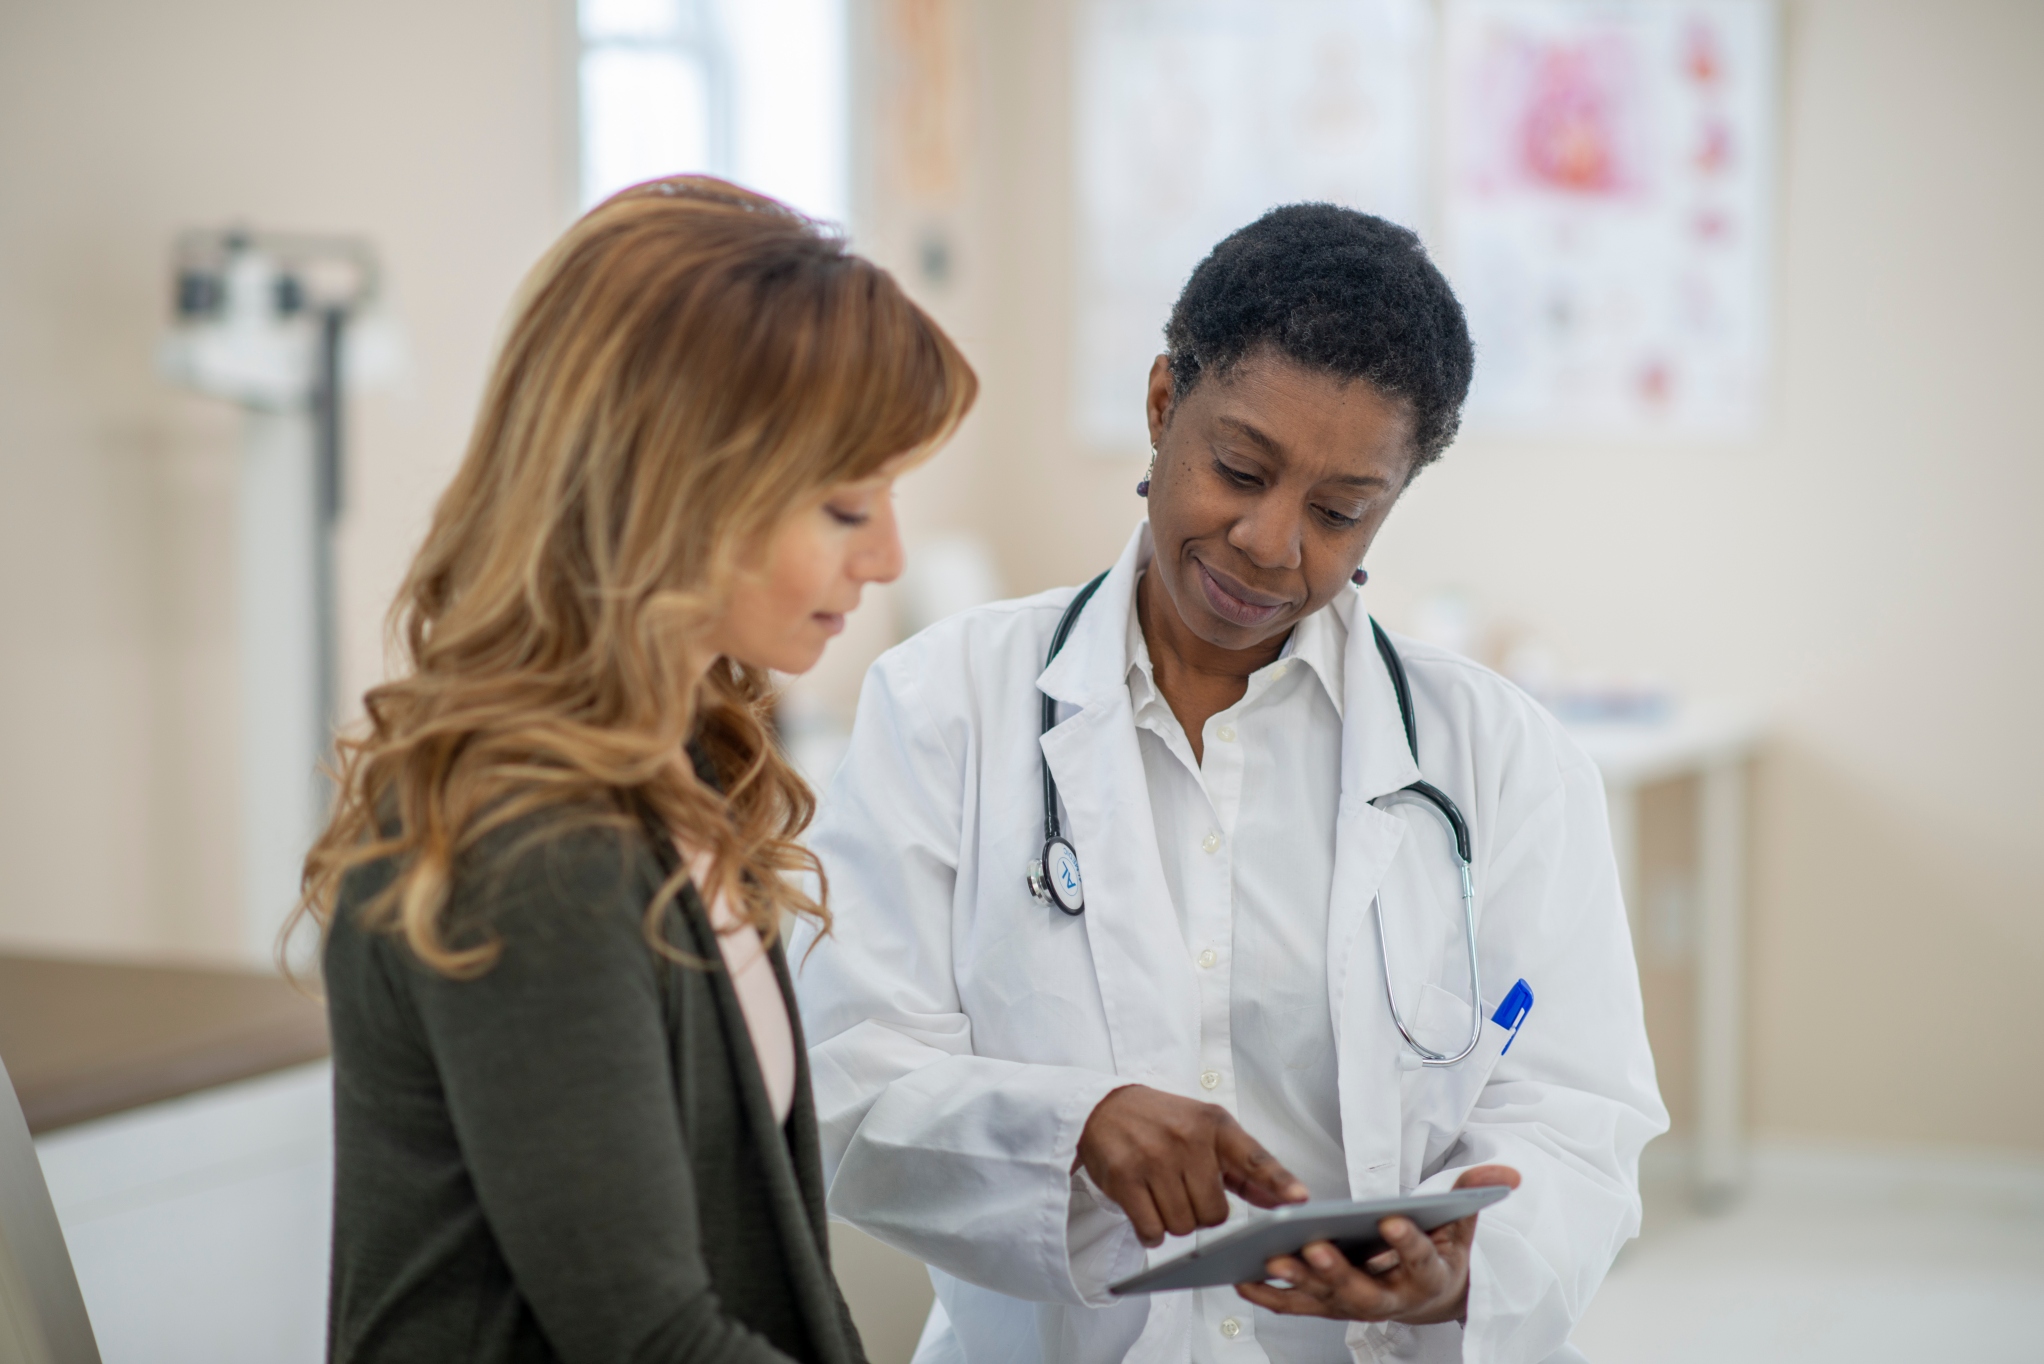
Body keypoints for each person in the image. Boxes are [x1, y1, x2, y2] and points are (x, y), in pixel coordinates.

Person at [791, 204, 1668, 1364]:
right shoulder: (945, 704)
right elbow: (848, 1074)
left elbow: (1573, 1111)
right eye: (1239, 468)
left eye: (1339, 510)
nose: (1269, 540)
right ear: (1162, 407)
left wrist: (1459, 1274)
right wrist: (1072, 1128)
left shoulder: (1501, 758)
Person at [295, 176, 977, 1364]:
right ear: (678, 490)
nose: (886, 555)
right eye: (842, 503)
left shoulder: (684, 770)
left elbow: (763, 1273)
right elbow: (653, 1336)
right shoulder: (529, 842)